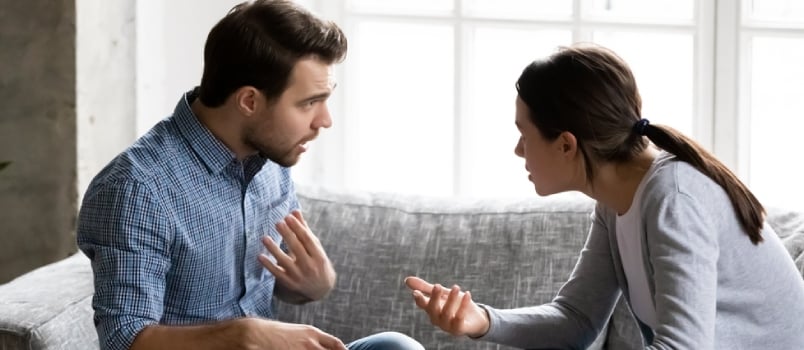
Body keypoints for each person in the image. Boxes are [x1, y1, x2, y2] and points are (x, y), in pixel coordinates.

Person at [404, 43, 804, 349]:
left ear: (565, 144)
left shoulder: (674, 198)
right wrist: (483, 321)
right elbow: (576, 318)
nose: (518, 150)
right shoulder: (616, 200)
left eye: (524, 135)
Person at [76, 1, 424, 350]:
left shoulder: (271, 157)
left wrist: (312, 286)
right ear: (249, 101)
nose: (324, 121)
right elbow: (124, 339)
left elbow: (260, 277)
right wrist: (241, 334)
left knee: (396, 347)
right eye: (308, 103)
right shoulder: (134, 189)